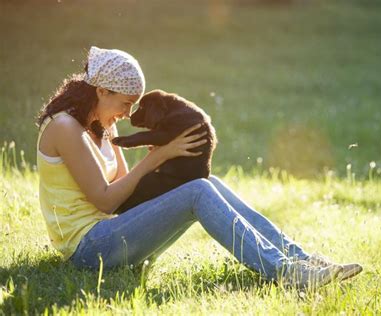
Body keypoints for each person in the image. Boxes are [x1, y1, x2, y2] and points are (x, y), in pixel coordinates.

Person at [36, 46, 362, 289]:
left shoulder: (102, 124)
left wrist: (165, 154)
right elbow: (105, 201)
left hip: (114, 232)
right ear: (102, 91)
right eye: (124, 103)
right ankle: (286, 273)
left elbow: (123, 185)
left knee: (209, 182)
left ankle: (300, 259)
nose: (127, 113)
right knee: (198, 192)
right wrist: (157, 158)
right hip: (88, 250)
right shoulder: (65, 128)